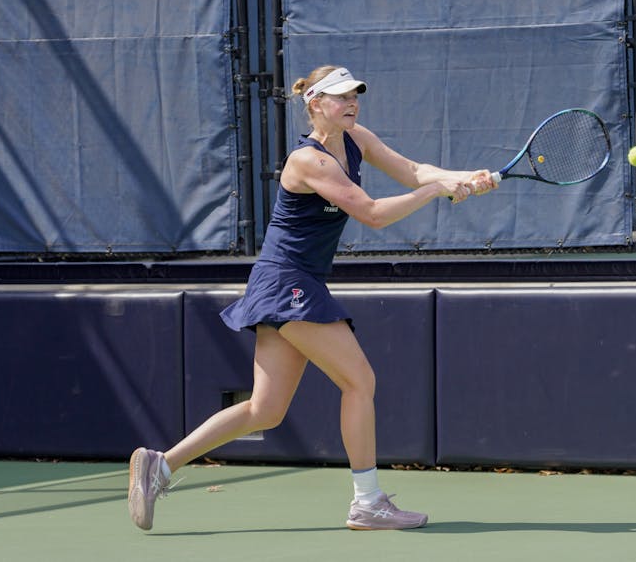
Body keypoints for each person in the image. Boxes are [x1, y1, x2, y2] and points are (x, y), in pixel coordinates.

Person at [128, 65, 494, 531]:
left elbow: (413, 170)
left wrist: (464, 176)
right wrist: (434, 190)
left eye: (355, 95)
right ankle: (367, 503)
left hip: (293, 281)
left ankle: (159, 465)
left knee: (266, 409)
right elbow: (373, 214)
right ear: (315, 103)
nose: (352, 103)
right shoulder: (309, 161)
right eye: (341, 97)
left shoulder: (357, 139)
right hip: (287, 281)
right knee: (359, 380)